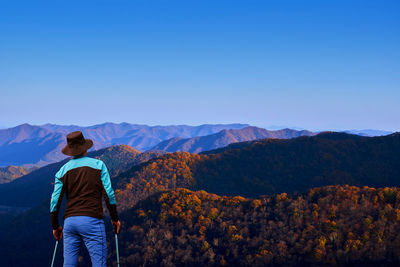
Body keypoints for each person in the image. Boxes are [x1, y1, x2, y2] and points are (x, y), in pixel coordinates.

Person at [50, 131, 120, 267]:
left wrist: (55, 226)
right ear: (85, 148)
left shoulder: (61, 171)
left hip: (70, 223)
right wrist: (114, 218)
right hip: (92, 221)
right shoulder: (99, 166)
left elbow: (54, 201)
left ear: (70, 151)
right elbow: (109, 194)